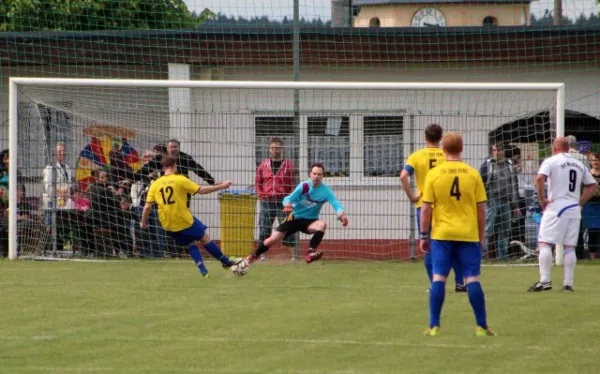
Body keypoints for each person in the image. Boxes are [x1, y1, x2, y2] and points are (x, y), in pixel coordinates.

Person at [420, 132, 494, 337]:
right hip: (467, 234)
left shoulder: (434, 174)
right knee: (472, 279)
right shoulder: (472, 174)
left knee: (438, 278)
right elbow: (481, 209)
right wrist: (480, 236)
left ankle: (434, 325)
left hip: (442, 234)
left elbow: (426, 209)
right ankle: (481, 326)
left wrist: (423, 235)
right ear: (462, 148)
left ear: (443, 149)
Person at [140, 155, 241, 277]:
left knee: (190, 243)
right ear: (174, 165)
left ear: (163, 167)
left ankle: (203, 271)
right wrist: (221, 186)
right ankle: (226, 262)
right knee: (205, 238)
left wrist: (143, 221)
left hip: (167, 224)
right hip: (183, 220)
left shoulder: (155, 184)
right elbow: (201, 190)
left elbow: (147, 207)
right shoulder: (180, 179)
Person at [241, 163, 348, 267]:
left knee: (322, 224)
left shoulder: (326, 191)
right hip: (294, 218)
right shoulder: (304, 186)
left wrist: (341, 214)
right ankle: (253, 256)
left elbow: (336, 204)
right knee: (271, 240)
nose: (316, 177)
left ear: (323, 176)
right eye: (314, 174)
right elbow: (288, 198)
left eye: (319, 174)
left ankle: (310, 252)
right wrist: (287, 204)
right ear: (310, 174)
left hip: (310, 221)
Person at [400, 123, 464, 292]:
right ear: (441, 138)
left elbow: (403, 176)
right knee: (455, 244)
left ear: (425, 138)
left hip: (424, 206)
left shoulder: (416, 156)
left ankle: (435, 284)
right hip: (445, 208)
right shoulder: (446, 155)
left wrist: (412, 196)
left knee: (427, 245)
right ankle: (460, 282)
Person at [527, 137, 597, 293]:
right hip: (574, 209)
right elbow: (592, 185)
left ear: (554, 148)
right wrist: (580, 202)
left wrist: (542, 200)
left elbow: (539, 178)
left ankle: (545, 280)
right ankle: (568, 284)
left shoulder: (551, 161)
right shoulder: (579, 163)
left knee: (544, 242)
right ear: (568, 148)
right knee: (569, 247)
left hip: (556, 206)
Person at [255, 137, 297, 255]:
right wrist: (261, 195)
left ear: (281, 149)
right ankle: (262, 256)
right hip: (267, 201)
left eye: (277, 148)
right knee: (264, 229)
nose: (275, 150)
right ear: (269, 149)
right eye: (272, 148)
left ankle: (294, 257)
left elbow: (293, 185)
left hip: (283, 201)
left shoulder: (289, 166)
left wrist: (289, 200)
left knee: (287, 228)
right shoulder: (263, 165)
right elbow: (258, 182)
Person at [479, 142, 521, 260]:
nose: (497, 152)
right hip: (492, 201)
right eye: (494, 150)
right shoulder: (486, 165)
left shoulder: (509, 165)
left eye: (499, 150)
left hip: (506, 201)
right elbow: (480, 183)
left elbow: (514, 185)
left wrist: (515, 205)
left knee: (505, 230)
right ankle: (483, 256)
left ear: (504, 151)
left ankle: (503, 257)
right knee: (488, 229)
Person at [582, 152, 600, 259]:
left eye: (597, 160)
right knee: (591, 232)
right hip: (590, 206)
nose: (595, 162)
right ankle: (592, 257)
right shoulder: (587, 174)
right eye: (593, 160)